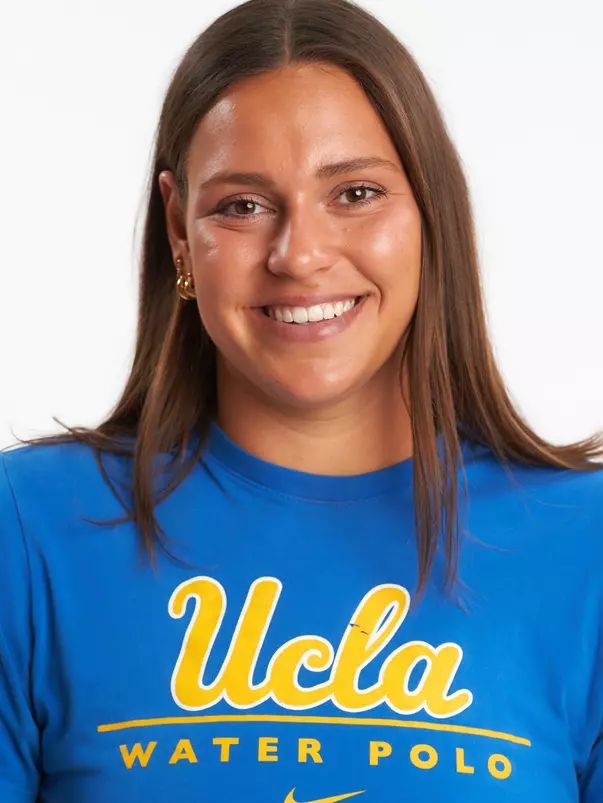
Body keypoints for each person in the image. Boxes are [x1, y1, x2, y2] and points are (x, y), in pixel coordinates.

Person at [1, 0, 602, 800]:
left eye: (354, 193)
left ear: (429, 211)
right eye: (241, 206)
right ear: (180, 232)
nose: (300, 255)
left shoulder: (585, 549)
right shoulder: (27, 535)